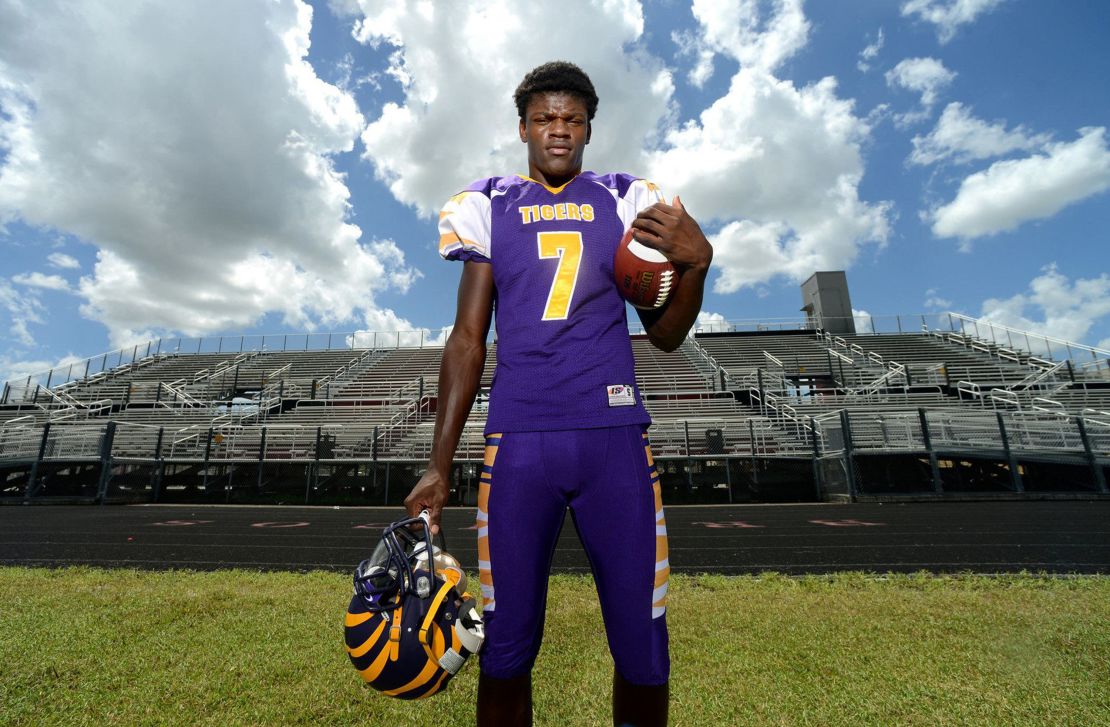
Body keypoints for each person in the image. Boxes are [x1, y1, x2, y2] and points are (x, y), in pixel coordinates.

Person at [404, 61, 713, 727]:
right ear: (523, 127)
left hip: (615, 443)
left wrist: (696, 265)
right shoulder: (489, 204)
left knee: (643, 651)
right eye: (545, 118)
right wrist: (438, 462)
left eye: (572, 119)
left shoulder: (626, 200)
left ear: (589, 129)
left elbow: (667, 335)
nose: (559, 131)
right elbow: (466, 337)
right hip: (518, 445)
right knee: (506, 650)